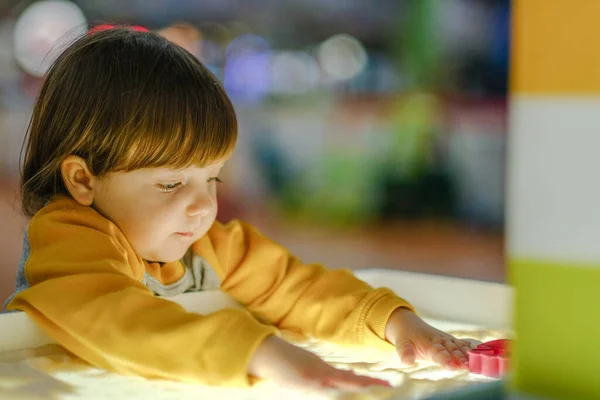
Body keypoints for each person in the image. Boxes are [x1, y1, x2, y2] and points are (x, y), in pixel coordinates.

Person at [4, 27, 472, 391]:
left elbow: (297, 287)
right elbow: (117, 320)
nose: (203, 205)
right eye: (170, 183)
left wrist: (395, 323)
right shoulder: (66, 237)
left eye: (212, 179)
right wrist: (260, 353)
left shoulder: (209, 245)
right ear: (83, 179)